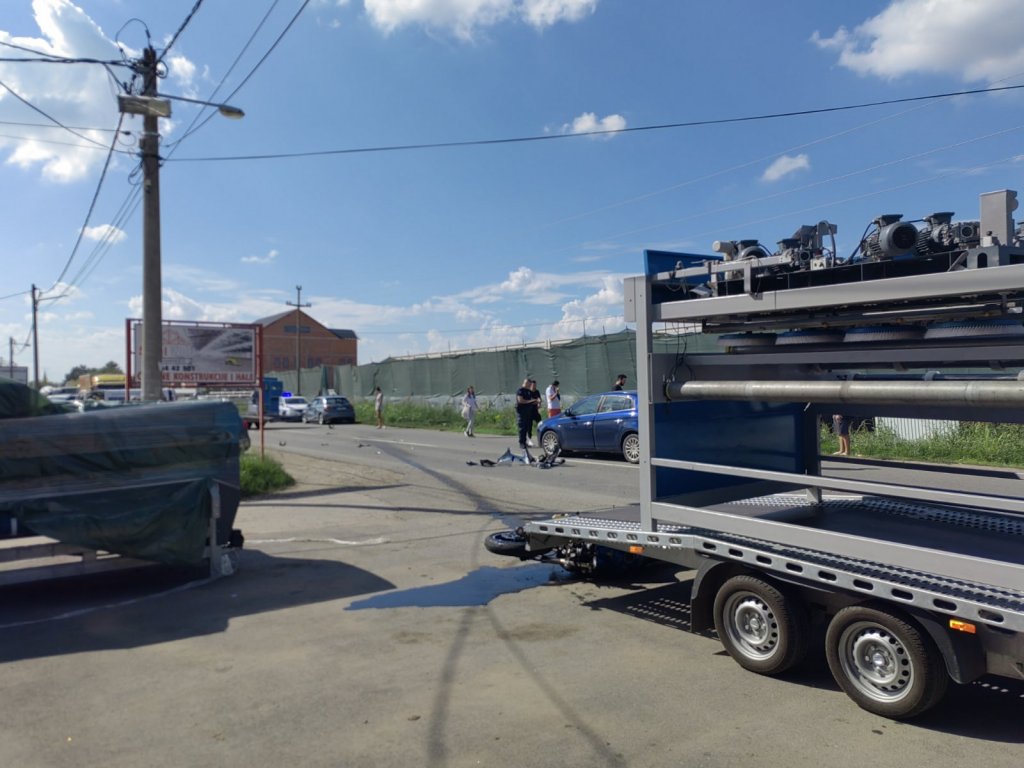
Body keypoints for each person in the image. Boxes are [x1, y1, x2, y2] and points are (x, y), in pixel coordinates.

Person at [515, 377, 535, 448]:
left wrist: (535, 401)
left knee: (526, 428)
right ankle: (521, 443)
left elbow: (529, 400)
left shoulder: (528, 391)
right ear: (525, 383)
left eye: (530, 384)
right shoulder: (520, 391)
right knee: (522, 428)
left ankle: (525, 442)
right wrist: (531, 401)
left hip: (528, 412)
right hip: (521, 412)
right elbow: (521, 400)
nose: (529, 386)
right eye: (528, 384)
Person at [527, 379, 543, 443]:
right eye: (533, 385)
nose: (534, 386)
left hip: (535, 411)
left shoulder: (537, 391)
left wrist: (539, 402)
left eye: (535, 385)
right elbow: (530, 402)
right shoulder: (528, 392)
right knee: (529, 426)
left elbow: (539, 399)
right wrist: (536, 401)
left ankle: (541, 437)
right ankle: (529, 440)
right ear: (531, 385)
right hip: (529, 411)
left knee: (540, 423)